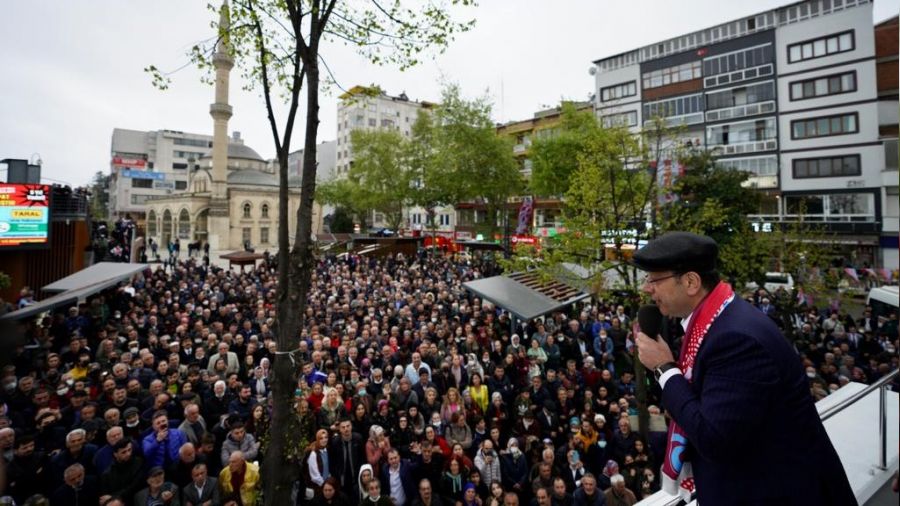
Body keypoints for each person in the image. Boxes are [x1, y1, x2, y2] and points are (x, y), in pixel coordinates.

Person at [633, 231, 856, 505]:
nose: (647, 288)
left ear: (691, 282)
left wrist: (665, 369)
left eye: (654, 280)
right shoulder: (717, 321)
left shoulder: (736, 340)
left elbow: (714, 439)